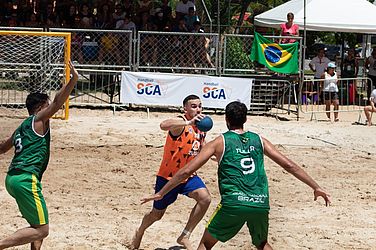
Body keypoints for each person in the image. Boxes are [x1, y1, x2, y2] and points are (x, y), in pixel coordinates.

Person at [141, 101, 331, 250]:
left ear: (226, 119)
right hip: (260, 202)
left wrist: (161, 192)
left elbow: (186, 171)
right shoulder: (259, 140)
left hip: (233, 204)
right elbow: (289, 165)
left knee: (206, 244)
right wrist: (316, 186)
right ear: (245, 119)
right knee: (262, 243)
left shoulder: (219, 142)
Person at [0, 62, 78, 250]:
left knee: (37, 224)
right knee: (43, 230)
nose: (51, 107)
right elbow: (59, 101)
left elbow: (2, 148)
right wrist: (73, 80)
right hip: (27, 179)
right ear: (41, 107)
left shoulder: (22, 127)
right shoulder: (39, 119)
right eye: (47, 104)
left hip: (12, 179)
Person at [130, 95, 211, 250]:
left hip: (188, 176)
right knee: (156, 215)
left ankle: (185, 235)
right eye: (193, 106)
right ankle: (140, 231)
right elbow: (163, 124)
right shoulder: (180, 123)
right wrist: (188, 122)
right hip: (168, 177)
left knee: (205, 198)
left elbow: (201, 144)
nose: (198, 109)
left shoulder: (201, 126)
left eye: (200, 106)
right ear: (185, 109)